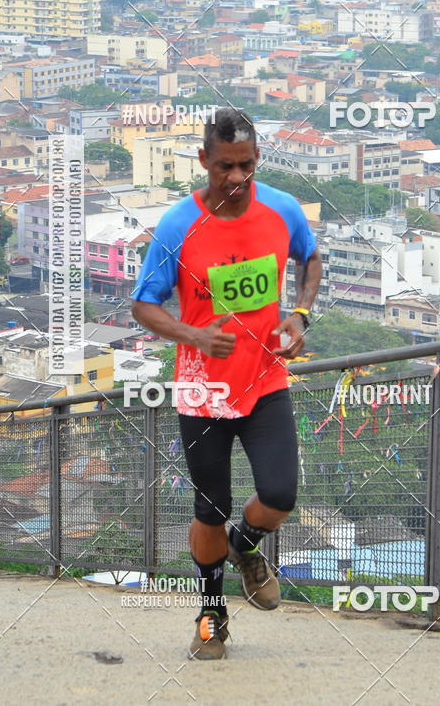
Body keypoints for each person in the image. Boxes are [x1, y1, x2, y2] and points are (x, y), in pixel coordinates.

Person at [130, 107, 322, 660]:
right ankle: (211, 614)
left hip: (264, 381)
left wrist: (302, 314)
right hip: (202, 390)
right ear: (203, 162)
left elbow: (310, 258)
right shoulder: (177, 225)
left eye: (246, 166)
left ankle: (247, 545)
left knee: (281, 493)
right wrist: (193, 333)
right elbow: (144, 304)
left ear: (257, 158)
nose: (236, 179)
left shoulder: (281, 209)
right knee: (209, 507)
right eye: (224, 168)